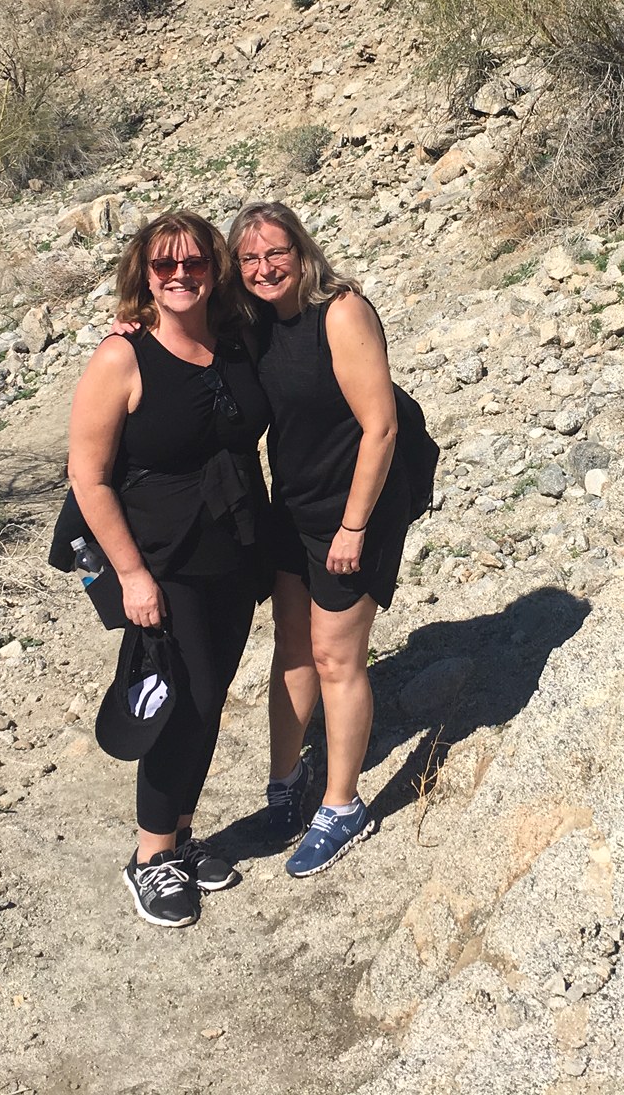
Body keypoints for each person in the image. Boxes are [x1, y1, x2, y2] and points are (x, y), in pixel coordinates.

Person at [66, 211, 272, 928]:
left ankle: (180, 837)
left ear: (214, 269)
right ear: (144, 274)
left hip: (235, 549)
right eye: (164, 265)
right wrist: (132, 576)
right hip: (162, 560)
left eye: (194, 263)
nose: (180, 275)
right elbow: (88, 478)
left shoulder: (234, 337)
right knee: (180, 702)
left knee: (210, 699)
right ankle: (150, 858)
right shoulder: (121, 358)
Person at [230, 201, 408, 878]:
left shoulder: (340, 313)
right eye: (249, 258)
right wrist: (133, 320)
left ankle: (342, 806)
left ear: (302, 251)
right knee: (292, 649)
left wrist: (353, 527)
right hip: (293, 507)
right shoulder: (254, 322)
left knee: (337, 658)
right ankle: (285, 785)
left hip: (352, 510)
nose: (264, 267)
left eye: (276, 252)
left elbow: (381, 427)